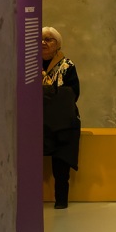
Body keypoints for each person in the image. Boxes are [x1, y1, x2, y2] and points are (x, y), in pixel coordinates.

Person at [41, 26, 80, 210]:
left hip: (62, 122)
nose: (44, 43)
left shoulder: (67, 66)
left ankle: (61, 200)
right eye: (41, 39)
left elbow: (73, 93)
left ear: (58, 44)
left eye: (49, 39)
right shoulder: (30, 65)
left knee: (61, 165)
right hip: (37, 121)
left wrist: (46, 90)